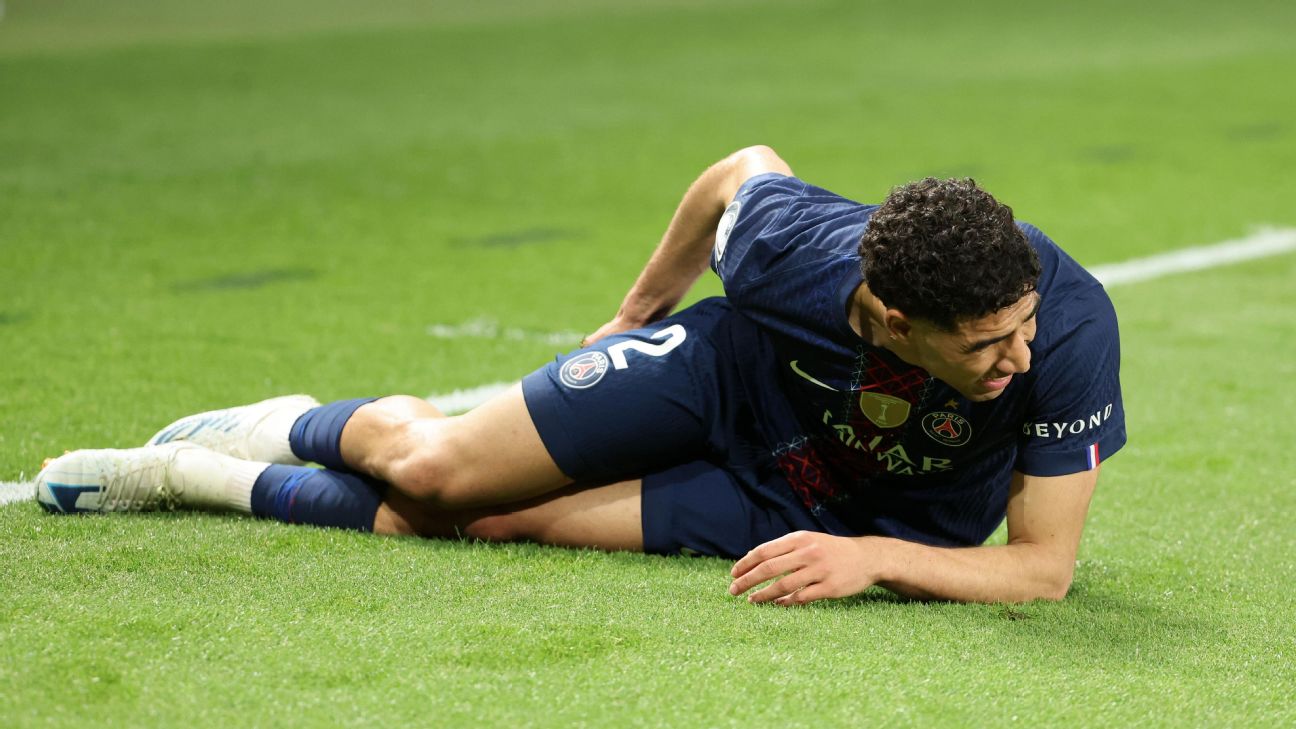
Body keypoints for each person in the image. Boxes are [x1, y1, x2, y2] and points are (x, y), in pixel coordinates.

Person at [35, 146, 1125, 605]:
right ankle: (289, 423)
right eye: (984, 345)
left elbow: (1042, 570)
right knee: (437, 467)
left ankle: (192, 479)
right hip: (719, 375)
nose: (1018, 359)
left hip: (816, 505)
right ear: (893, 319)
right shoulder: (796, 250)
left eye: (1022, 328)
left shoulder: (1068, 329)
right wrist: (640, 313)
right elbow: (739, 171)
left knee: (479, 521)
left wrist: (870, 557)